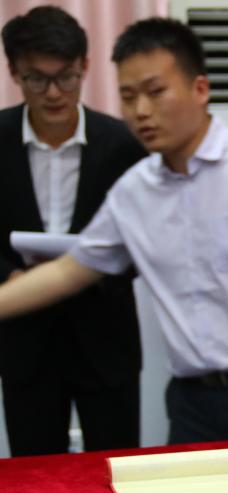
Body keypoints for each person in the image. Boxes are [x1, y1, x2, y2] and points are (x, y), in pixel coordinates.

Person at [0, 18, 228, 444]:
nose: (141, 111)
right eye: (128, 97)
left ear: (200, 89)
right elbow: (68, 271)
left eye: (155, 91)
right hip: (191, 403)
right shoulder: (133, 191)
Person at [0, 6, 146, 456]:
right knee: (34, 475)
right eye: (36, 79)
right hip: (24, 339)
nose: (53, 93)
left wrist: (94, 269)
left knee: (115, 468)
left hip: (105, 338)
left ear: (85, 66)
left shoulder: (124, 143)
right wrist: (10, 277)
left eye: (65, 77)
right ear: (14, 73)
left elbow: (144, 239)